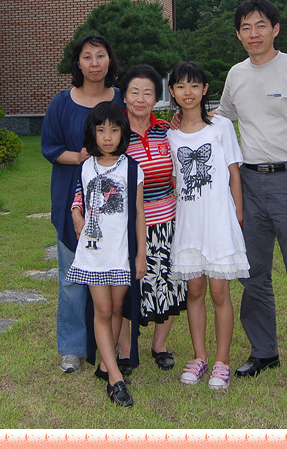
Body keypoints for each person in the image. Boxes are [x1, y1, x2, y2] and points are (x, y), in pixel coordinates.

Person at [217, 0, 287, 396]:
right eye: (246, 27)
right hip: (249, 184)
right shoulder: (236, 74)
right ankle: (264, 351)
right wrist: (185, 119)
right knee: (253, 275)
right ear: (238, 34)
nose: (254, 33)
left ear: (275, 29)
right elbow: (222, 119)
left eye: (261, 25)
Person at [41, 34, 123, 374]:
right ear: (78, 62)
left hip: (113, 201)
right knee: (72, 276)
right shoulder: (62, 103)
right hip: (70, 196)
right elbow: (50, 147)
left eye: (100, 55)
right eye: (87, 56)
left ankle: (115, 343)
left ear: (109, 60)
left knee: (113, 275)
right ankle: (72, 348)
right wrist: (80, 157)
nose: (94, 63)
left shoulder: (121, 98)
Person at [166, 62, 250, 391]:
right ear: (172, 92)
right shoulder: (170, 135)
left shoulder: (221, 127)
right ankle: (199, 357)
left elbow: (234, 175)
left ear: (204, 89)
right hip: (189, 223)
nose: (187, 92)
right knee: (195, 290)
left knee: (219, 291)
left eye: (194, 85)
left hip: (219, 221)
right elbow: (174, 179)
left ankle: (222, 361)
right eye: (180, 86)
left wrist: (238, 217)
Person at [69, 101, 147, 407]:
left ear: (123, 133)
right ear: (92, 132)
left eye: (114, 130)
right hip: (94, 253)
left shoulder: (132, 168)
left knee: (116, 309)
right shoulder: (86, 166)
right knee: (102, 310)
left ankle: (105, 364)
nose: (107, 136)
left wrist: (140, 254)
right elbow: (80, 196)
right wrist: (76, 210)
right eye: (101, 130)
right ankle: (115, 378)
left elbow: (139, 214)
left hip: (121, 253)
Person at [113, 65, 187, 372]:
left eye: (148, 93)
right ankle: (125, 349)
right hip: (127, 227)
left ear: (156, 98)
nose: (141, 99)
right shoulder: (114, 133)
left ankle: (160, 345)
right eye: (134, 92)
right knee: (126, 287)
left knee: (168, 283)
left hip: (167, 222)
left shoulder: (167, 131)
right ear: (124, 96)